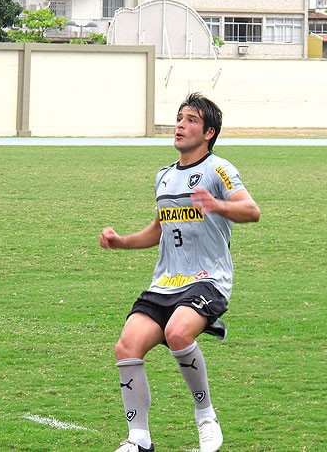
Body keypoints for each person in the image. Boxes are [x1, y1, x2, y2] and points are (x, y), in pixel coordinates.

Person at [99, 93, 260, 452]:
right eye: (178, 118)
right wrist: (121, 242)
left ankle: (205, 416)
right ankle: (139, 440)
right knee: (126, 345)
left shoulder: (219, 169)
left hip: (208, 278)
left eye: (190, 120)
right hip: (166, 282)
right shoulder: (164, 176)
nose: (180, 125)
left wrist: (216, 204)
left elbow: (251, 210)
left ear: (208, 132)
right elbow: (158, 229)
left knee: (177, 332)